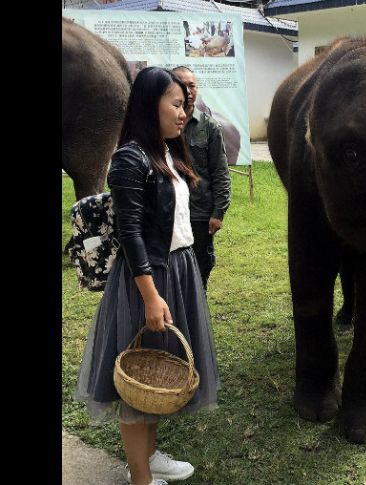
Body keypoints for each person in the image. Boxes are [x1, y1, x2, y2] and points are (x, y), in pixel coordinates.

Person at [74, 67, 220, 485]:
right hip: (148, 280)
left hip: (177, 269)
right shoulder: (129, 158)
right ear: (148, 105)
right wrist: (151, 296)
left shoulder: (167, 152)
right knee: (137, 375)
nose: (183, 112)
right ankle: (140, 476)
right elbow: (131, 233)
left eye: (184, 104)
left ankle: (150, 457)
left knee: (158, 372)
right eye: (175, 104)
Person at [172, 66, 231, 291]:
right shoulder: (161, 125)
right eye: (182, 84)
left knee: (199, 269)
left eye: (192, 85)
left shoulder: (209, 126)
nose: (188, 90)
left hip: (199, 213)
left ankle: (197, 313)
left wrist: (218, 212)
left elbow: (220, 172)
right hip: (170, 210)